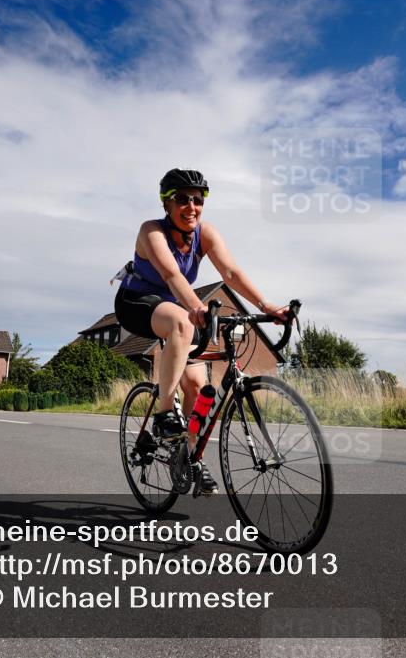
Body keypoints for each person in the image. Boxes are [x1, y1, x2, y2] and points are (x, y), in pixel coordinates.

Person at [113, 168, 288, 494]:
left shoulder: (205, 234)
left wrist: (266, 306)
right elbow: (171, 275)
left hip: (177, 307)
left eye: (198, 199)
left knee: (200, 389)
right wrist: (196, 307)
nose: (191, 206)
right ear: (166, 204)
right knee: (180, 321)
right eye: (182, 199)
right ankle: (165, 411)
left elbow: (232, 272)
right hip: (137, 302)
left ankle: (191, 459)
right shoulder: (151, 231)